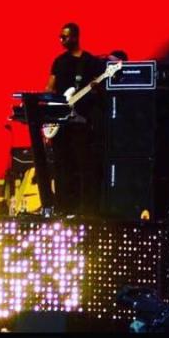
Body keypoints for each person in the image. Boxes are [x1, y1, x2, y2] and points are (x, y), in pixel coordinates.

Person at [46, 23, 108, 216]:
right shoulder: (59, 61)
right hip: (61, 123)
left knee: (81, 166)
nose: (62, 41)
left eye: (65, 37)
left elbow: (101, 89)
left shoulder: (90, 62)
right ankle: (62, 208)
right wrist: (49, 107)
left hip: (80, 122)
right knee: (61, 167)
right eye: (60, 37)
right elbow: (50, 88)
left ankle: (83, 210)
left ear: (75, 37)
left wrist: (97, 87)